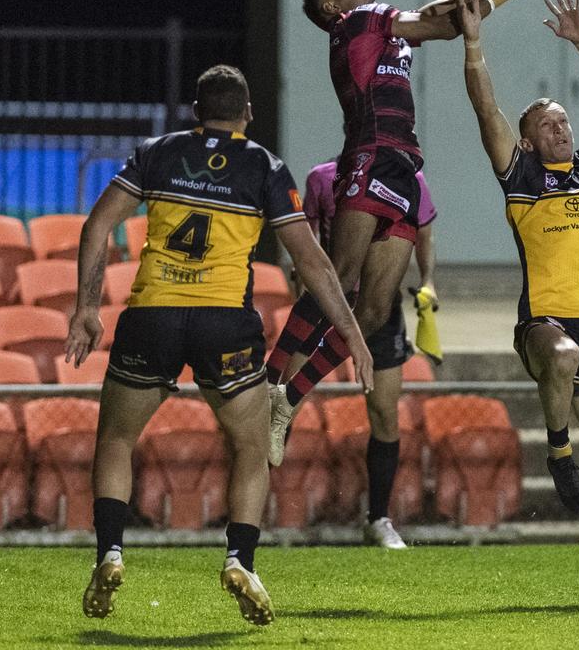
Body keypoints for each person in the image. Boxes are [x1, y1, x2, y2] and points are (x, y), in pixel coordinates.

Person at [64, 65, 372, 626]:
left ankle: (110, 551)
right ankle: (240, 560)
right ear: (247, 112)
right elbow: (312, 263)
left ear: (195, 110)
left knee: (115, 439)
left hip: (152, 313)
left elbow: (96, 226)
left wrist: (86, 309)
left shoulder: (155, 152)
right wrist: (352, 334)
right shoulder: (264, 165)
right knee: (251, 447)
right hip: (224, 322)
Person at [265, 0, 553, 467]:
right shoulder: (356, 22)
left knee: (374, 309)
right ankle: (269, 378)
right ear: (331, 1)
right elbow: (446, 12)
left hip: (404, 167)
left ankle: (287, 398)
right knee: (339, 277)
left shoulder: (386, 28)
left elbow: (457, 19)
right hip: (371, 154)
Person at [455, 0, 579, 607]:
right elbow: (487, 111)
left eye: (564, 119)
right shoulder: (521, 175)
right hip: (547, 321)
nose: (562, 127)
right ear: (530, 141)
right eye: (548, 124)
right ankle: (558, 449)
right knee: (561, 357)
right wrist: (474, 41)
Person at [284, 159, 439, 549]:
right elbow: (311, 235)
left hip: (380, 308)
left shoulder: (410, 178)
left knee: (385, 413)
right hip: (330, 301)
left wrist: (429, 281)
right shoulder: (322, 176)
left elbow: (424, 235)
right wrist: (303, 279)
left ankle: (379, 519)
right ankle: (250, 511)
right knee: (285, 402)